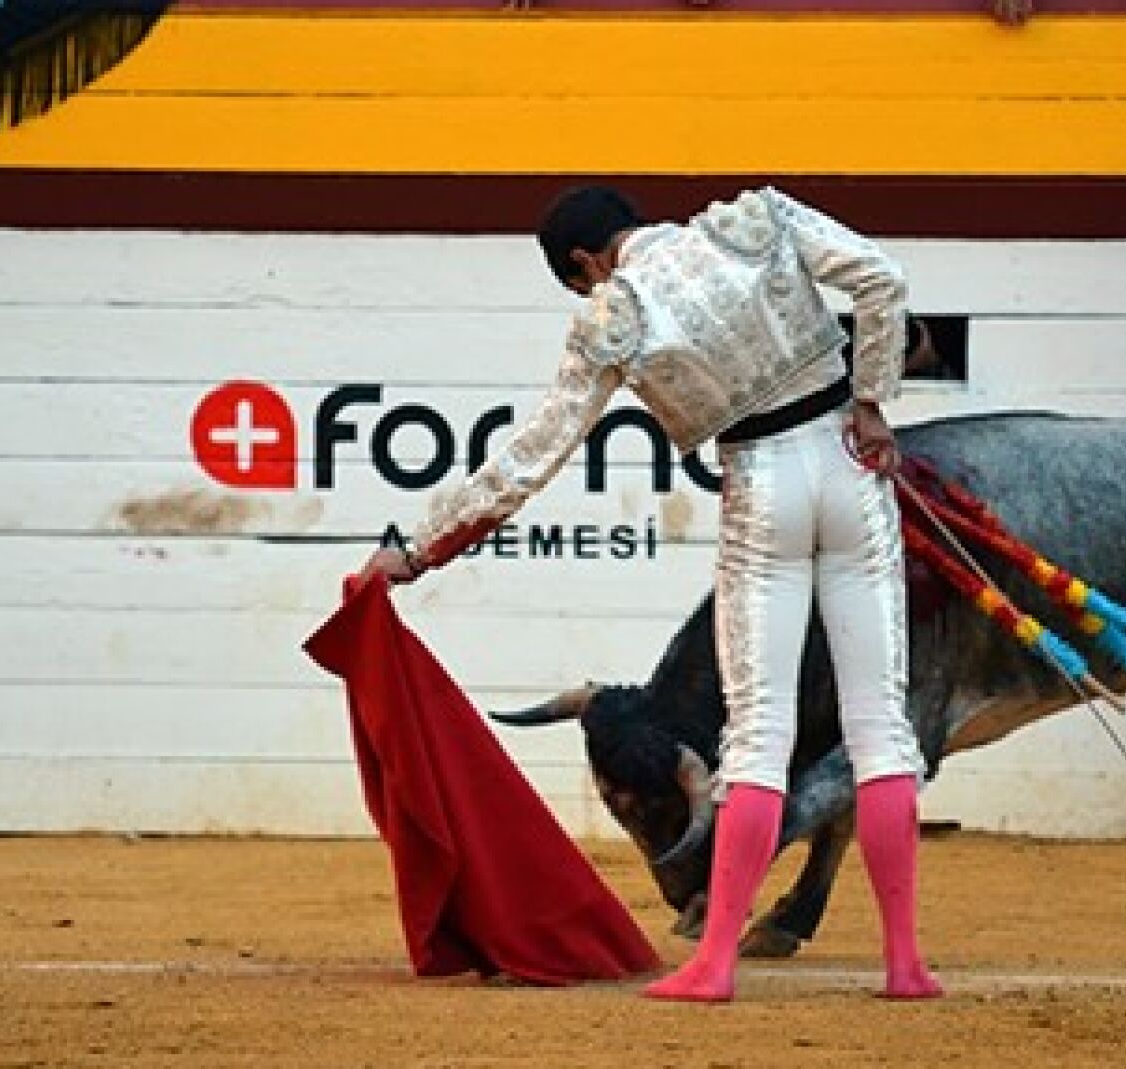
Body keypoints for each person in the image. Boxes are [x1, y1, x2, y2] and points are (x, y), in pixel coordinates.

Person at [359, 185, 942, 1003]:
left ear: (585, 264)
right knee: (881, 728)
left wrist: (420, 551)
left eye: (580, 283)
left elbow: (531, 456)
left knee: (758, 735)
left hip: (762, 486)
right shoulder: (757, 219)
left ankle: (714, 962)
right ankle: (905, 965)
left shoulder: (615, 314)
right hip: (852, 465)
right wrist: (872, 400)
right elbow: (880, 277)